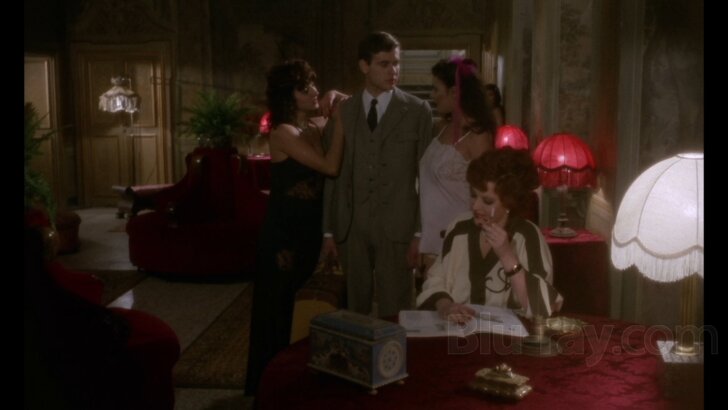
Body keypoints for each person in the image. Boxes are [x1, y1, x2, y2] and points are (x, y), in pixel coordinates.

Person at [245, 59, 345, 396]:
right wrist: (341, 125)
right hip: (282, 236)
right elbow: (330, 167)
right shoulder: (283, 133)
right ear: (289, 95)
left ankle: (294, 385)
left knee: (300, 314)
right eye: (306, 87)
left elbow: (341, 102)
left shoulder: (312, 126)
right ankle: (269, 389)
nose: (314, 90)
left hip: (308, 233)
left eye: (314, 83)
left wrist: (333, 95)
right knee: (277, 312)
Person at [321, 31, 433, 318]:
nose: (393, 71)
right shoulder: (344, 111)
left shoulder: (417, 110)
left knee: (397, 308)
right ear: (364, 66)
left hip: (398, 225)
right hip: (352, 226)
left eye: (396, 63)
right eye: (384, 64)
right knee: (354, 308)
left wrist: (420, 233)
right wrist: (329, 231)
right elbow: (334, 174)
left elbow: (426, 178)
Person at [416, 148, 563, 322]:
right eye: (473, 195)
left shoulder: (528, 236)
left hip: (508, 337)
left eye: (487, 201)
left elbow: (542, 308)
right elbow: (436, 279)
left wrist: (507, 255)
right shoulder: (459, 227)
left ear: (509, 202)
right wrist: (446, 306)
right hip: (457, 332)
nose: (475, 206)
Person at [418, 57, 495, 274]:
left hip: (460, 239)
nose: (432, 95)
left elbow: (487, 191)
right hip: (431, 239)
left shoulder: (477, 136)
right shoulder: (442, 127)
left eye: (436, 89)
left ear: (454, 92)